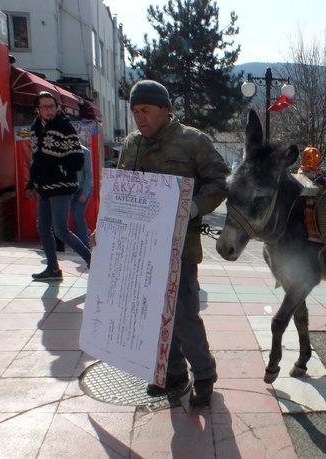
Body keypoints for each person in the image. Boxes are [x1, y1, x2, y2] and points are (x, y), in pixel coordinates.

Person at [115, 80, 229, 406]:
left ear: (165, 110)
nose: (140, 118)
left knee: (183, 316)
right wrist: (105, 229)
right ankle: (173, 373)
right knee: (153, 314)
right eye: (135, 111)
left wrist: (192, 207)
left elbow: (220, 181)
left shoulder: (193, 142)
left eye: (146, 110)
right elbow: (121, 192)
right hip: (141, 249)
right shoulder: (131, 145)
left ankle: (205, 374)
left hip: (180, 248)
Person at [25, 91, 91, 280]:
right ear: (38, 110)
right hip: (43, 186)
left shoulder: (65, 127)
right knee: (43, 227)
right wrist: (32, 182)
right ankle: (53, 268)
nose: (49, 110)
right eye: (44, 107)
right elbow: (36, 158)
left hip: (61, 185)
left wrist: (57, 165)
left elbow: (77, 160)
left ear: (57, 107)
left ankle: (91, 260)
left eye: (51, 106)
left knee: (61, 230)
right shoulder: (36, 127)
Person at [70, 145, 93, 249]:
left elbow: (88, 175)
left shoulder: (84, 152)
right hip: (70, 189)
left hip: (83, 188)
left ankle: (85, 245)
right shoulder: (64, 149)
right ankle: (82, 237)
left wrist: (85, 193)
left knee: (77, 215)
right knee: (67, 217)